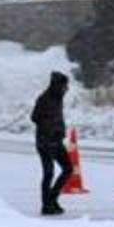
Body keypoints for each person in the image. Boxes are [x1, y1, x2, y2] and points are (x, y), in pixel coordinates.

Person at [31, 71, 73, 216]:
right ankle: (47, 204)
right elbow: (34, 117)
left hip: (55, 141)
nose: (66, 89)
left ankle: (51, 200)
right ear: (57, 85)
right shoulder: (44, 98)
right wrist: (50, 129)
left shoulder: (58, 98)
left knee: (68, 169)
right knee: (49, 173)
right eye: (64, 86)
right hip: (45, 142)